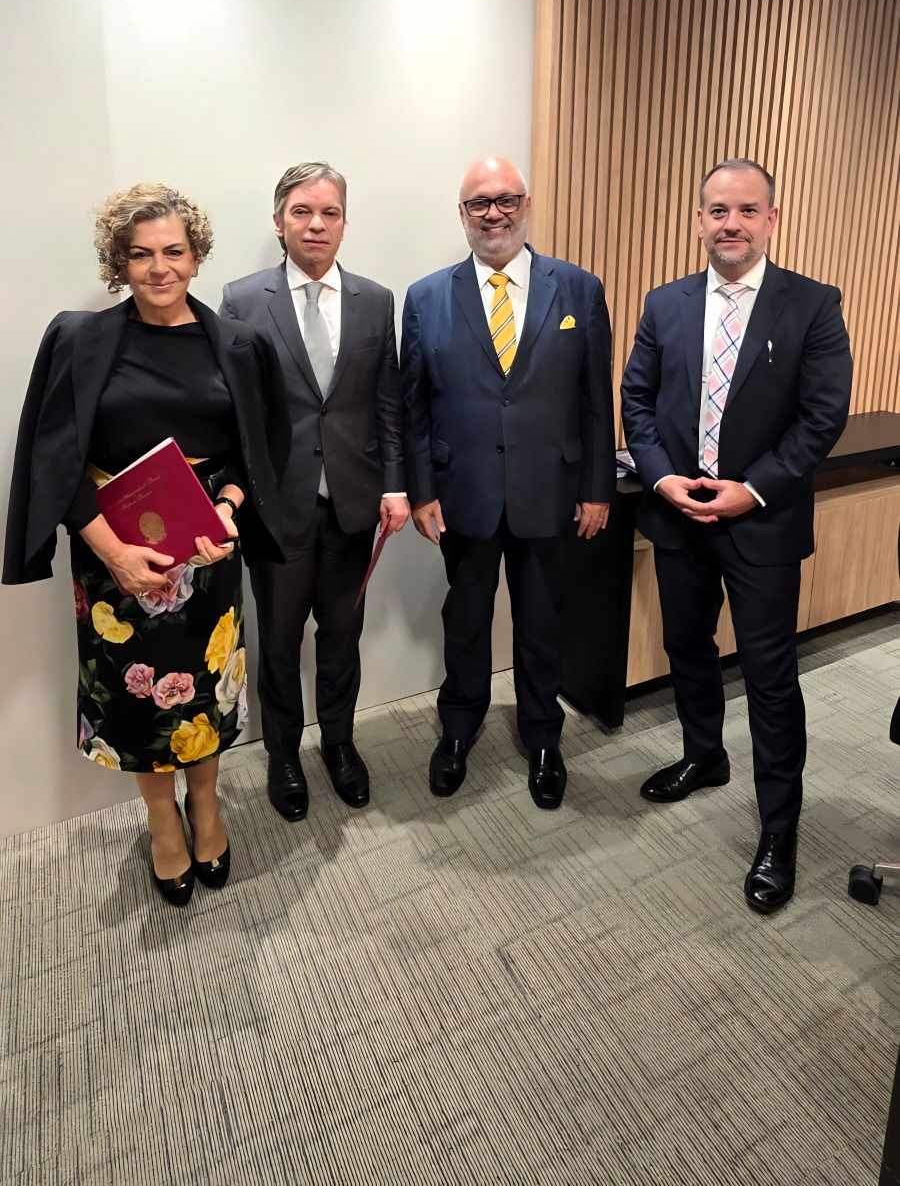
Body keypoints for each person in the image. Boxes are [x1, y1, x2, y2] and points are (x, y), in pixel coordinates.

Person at [3, 184, 288, 907]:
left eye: (173, 251)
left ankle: (208, 805)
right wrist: (113, 553)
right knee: (141, 703)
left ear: (196, 257)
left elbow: (256, 452)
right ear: (118, 262)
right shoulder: (80, 338)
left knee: (205, 694)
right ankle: (162, 822)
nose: (159, 267)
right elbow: (52, 461)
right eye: (141, 254)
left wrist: (226, 509)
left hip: (206, 560)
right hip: (114, 565)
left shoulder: (239, 344)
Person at [621, 158, 852, 912]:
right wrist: (661, 479)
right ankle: (704, 756)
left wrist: (748, 491)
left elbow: (821, 418)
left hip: (762, 521)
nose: (731, 224)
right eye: (718, 210)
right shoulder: (665, 303)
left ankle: (779, 829)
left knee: (770, 677)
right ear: (698, 220)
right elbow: (639, 400)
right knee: (687, 648)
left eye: (747, 211)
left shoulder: (812, 305)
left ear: (772, 220)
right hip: (679, 514)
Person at [401, 156, 616, 809]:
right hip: (461, 494)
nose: (493, 213)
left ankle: (543, 737)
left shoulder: (578, 289)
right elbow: (412, 406)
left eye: (505, 200)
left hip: (550, 493)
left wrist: (598, 487)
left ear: (526, 204)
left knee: (541, 621)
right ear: (461, 215)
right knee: (464, 621)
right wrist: (420, 490)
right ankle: (458, 729)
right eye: (478, 204)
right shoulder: (426, 297)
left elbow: (594, 398)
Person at [221, 163, 407, 822]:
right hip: (277, 512)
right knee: (276, 642)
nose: (316, 224)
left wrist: (395, 483)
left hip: (355, 505)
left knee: (341, 635)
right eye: (302, 212)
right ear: (279, 222)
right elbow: (234, 413)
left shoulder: (377, 300)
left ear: (344, 222)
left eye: (329, 212)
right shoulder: (243, 300)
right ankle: (283, 755)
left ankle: (339, 744)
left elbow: (387, 402)